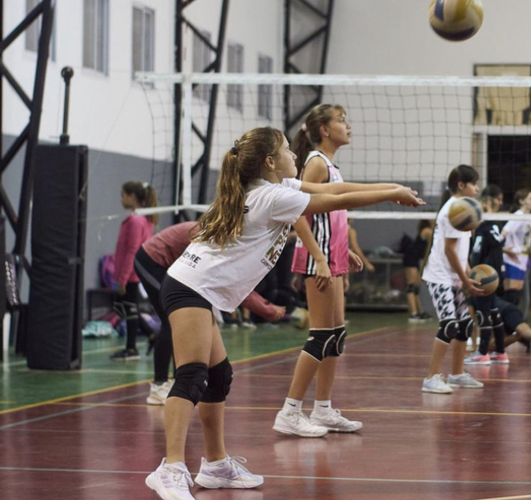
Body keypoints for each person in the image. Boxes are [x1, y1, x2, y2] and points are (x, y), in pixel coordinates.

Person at [144, 126, 423, 500]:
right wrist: (391, 194)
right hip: (190, 286)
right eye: (288, 150)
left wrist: (393, 187)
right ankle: (170, 469)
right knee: (192, 375)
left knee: (219, 376)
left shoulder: (274, 188)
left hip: (196, 287)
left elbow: (334, 189)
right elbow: (337, 200)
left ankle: (216, 465)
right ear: (270, 162)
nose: (295, 155)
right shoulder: (272, 196)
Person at [274, 104, 371, 438]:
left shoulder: (330, 165)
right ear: (325, 130)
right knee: (321, 336)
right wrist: (318, 257)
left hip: (332, 257)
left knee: (335, 336)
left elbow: (330, 216)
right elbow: (297, 213)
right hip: (320, 259)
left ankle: (323, 409)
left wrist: (344, 251)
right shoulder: (316, 163)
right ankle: (289, 411)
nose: (348, 125)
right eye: (341, 121)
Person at [135, 221, 286, 406]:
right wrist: (267, 310)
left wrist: (267, 306)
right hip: (150, 261)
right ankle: (158, 386)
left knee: (176, 323)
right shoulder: (213, 240)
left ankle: (177, 382)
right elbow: (233, 284)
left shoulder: (222, 237)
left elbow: (236, 282)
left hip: (169, 266)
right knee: (171, 321)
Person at [420, 165, 485, 394]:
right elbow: (449, 250)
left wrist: (468, 274)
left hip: (454, 276)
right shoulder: (455, 210)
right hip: (440, 276)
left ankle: (456, 374)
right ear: (461, 185)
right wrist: (466, 280)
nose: (477, 188)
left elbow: (459, 251)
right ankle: (431, 378)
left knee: (465, 325)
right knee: (449, 325)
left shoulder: (463, 208)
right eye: (474, 184)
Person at [110, 181, 157, 361]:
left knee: (128, 309)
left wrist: (122, 279)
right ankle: (151, 334)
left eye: (123, 195)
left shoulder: (136, 221)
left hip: (130, 274)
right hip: (130, 273)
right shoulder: (140, 219)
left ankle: (131, 349)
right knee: (124, 308)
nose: (121, 199)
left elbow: (132, 251)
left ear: (132, 197)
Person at [464, 185, 509, 365]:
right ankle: (500, 351)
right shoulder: (494, 225)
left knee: (483, 312)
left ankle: (482, 353)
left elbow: (477, 253)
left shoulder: (484, 227)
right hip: (495, 273)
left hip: (484, 275)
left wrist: (472, 274)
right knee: (494, 311)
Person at [501, 189, 531, 308]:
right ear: (521, 201)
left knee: (517, 297)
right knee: (511, 296)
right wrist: (502, 248)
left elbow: (527, 243)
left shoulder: (528, 218)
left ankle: (514, 319)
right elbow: (504, 232)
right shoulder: (518, 216)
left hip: (522, 261)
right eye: (530, 199)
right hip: (512, 261)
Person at [403, 220, 433, 323]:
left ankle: (420, 312)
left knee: (416, 287)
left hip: (416, 259)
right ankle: (413, 314)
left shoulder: (427, 230)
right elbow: (433, 244)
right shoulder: (427, 230)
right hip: (410, 258)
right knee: (411, 286)